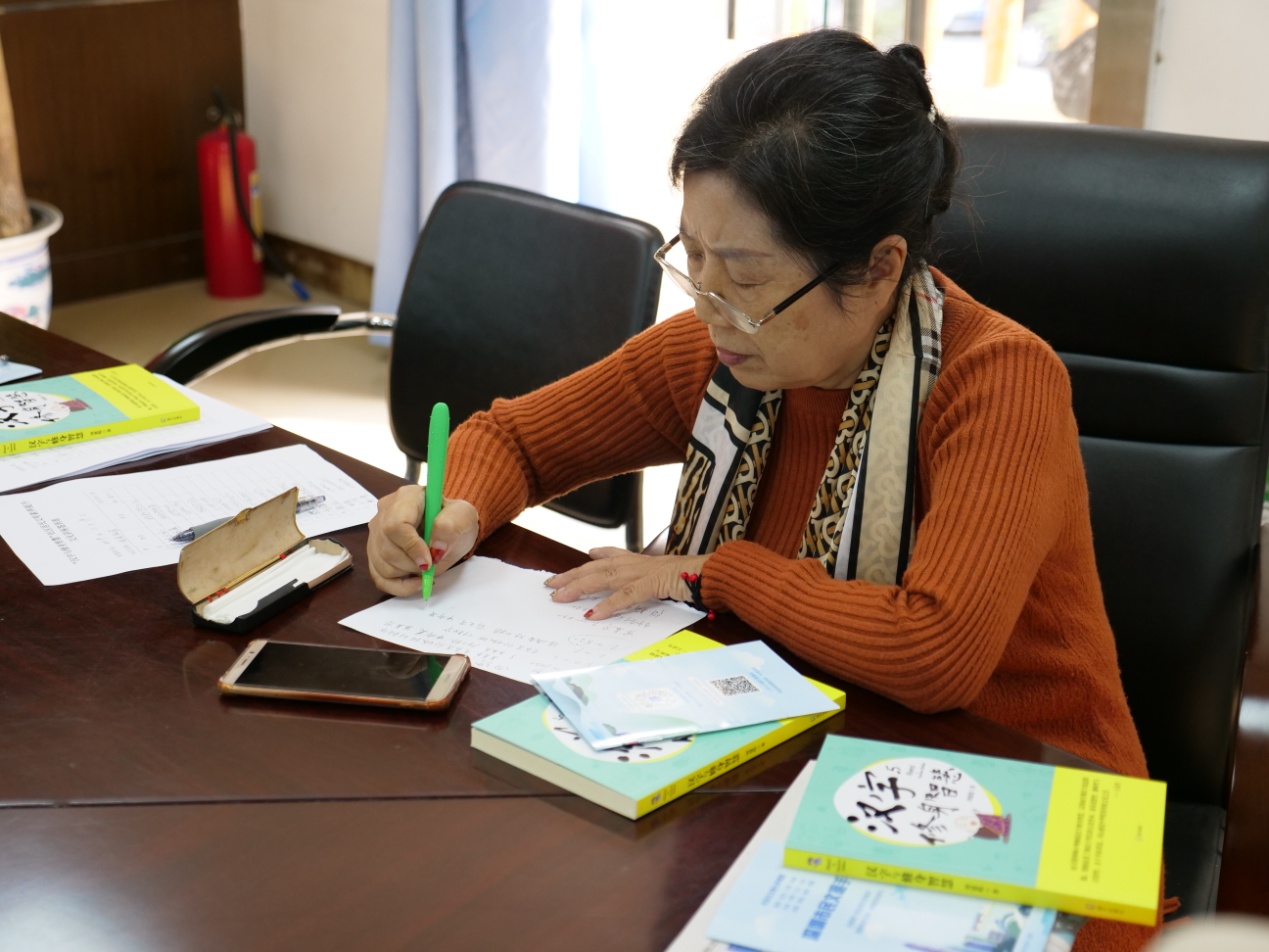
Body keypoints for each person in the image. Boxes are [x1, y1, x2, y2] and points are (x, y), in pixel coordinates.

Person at [368, 30, 1156, 949]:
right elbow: (513, 438)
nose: (706, 304)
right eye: (693, 256)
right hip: (795, 747)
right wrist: (450, 508)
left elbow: (932, 652)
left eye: (743, 275)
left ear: (879, 267)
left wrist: (712, 573)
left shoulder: (998, 383)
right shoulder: (725, 347)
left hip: (1014, 792)